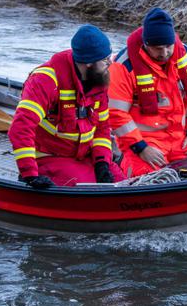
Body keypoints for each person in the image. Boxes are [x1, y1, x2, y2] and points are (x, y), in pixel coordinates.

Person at [8, 25, 124, 188]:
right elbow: (20, 128)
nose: (110, 63)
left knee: (121, 181)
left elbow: (102, 129)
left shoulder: (98, 81)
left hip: (84, 155)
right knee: (88, 190)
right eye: (105, 60)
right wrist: (30, 174)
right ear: (89, 63)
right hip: (50, 157)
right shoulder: (46, 81)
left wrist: (102, 163)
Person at [108, 8, 187, 177]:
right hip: (143, 142)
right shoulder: (123, 66)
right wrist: (141, 148)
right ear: (146, 45)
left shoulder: (184, 55)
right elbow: (116, 113)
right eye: (158, 48)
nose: (164, 53)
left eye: (168, 47)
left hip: (180, 138)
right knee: (146, 179)